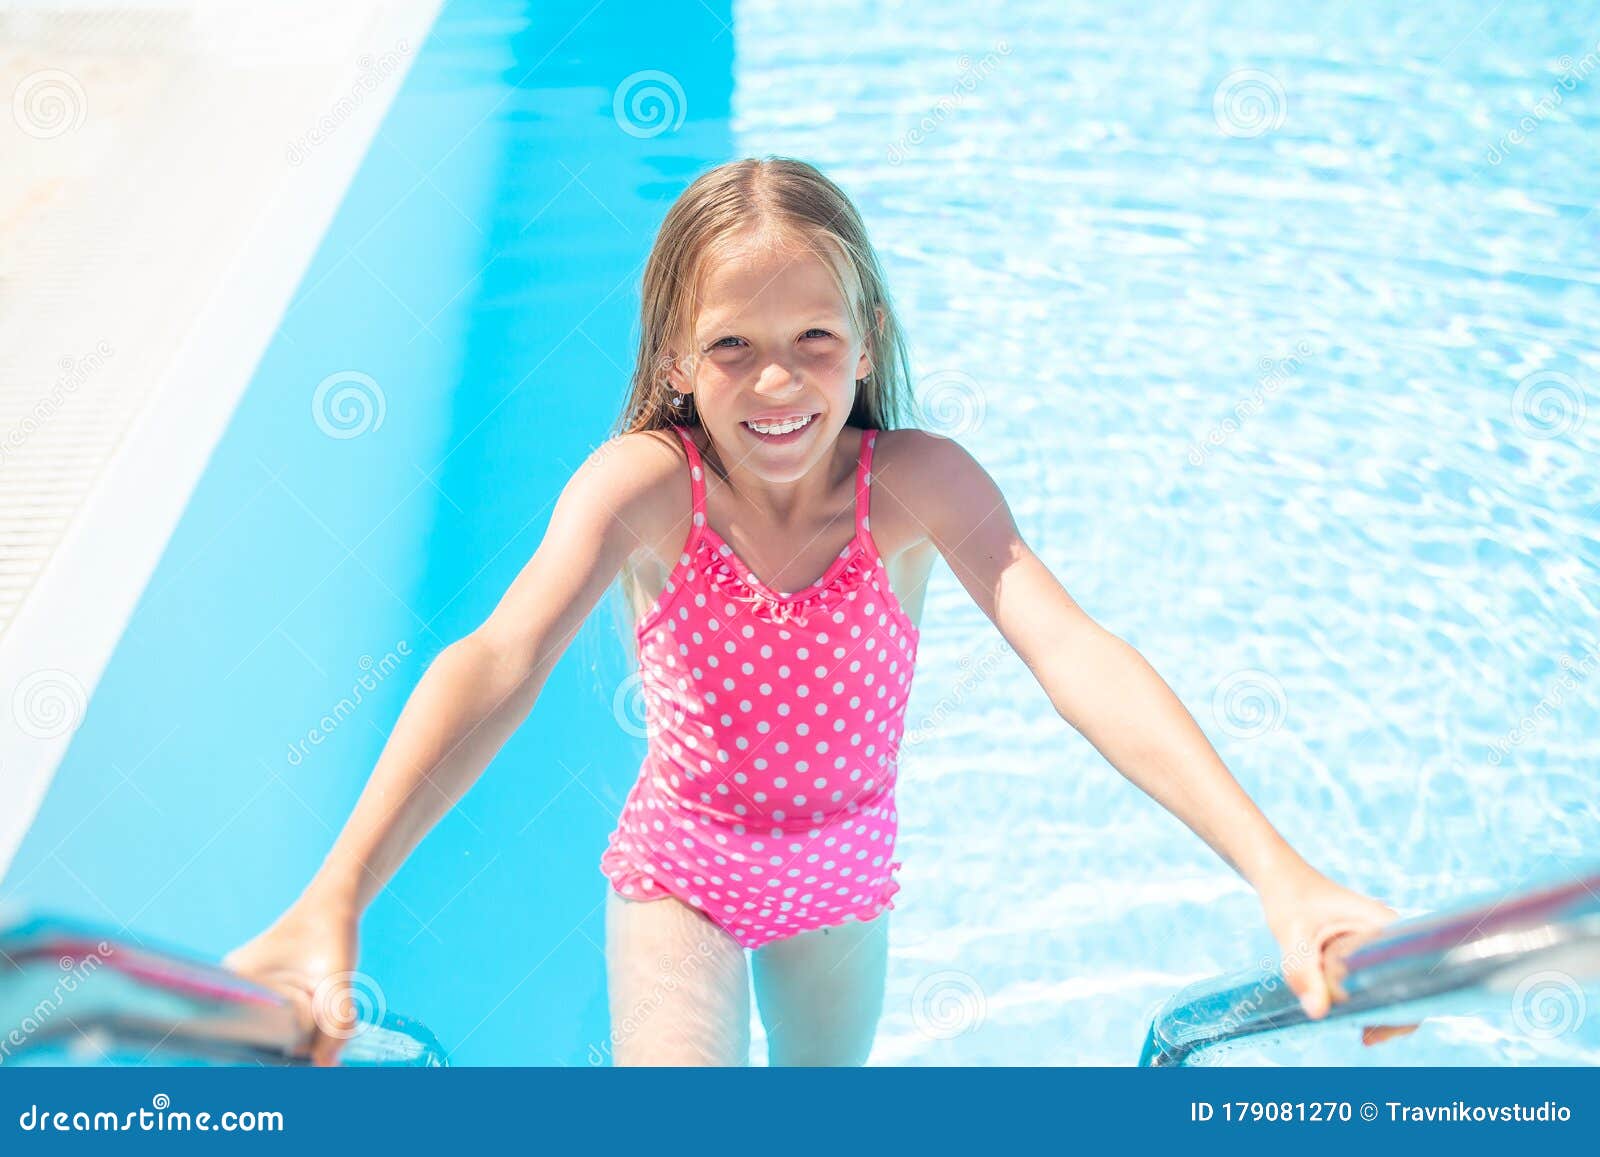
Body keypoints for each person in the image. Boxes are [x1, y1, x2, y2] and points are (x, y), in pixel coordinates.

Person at [224, 156, 1412, 1066]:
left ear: (866, 342)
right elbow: (498, 661)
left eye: (814, 340)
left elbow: (1076, 654)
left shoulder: (913, 485)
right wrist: (335, 896)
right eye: (733, 344)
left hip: (842, 873)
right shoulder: (646, 488)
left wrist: (1280, 874)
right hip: (682, 865)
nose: (779, 381)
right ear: (677, 359)